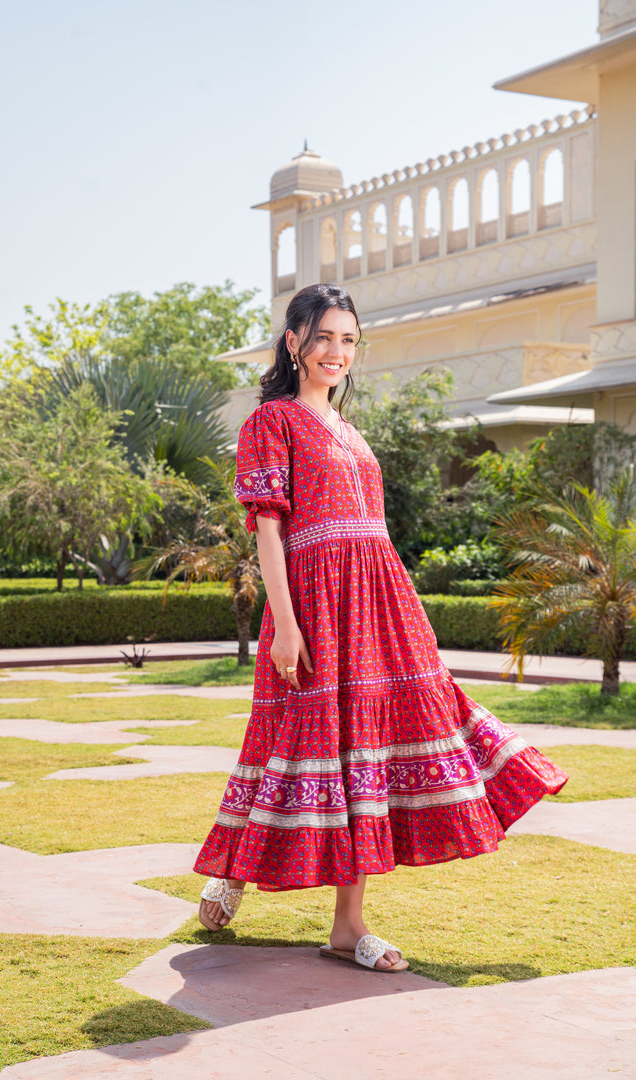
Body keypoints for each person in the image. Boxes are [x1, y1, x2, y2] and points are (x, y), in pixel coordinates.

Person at [194, 283, 568, 972]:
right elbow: (268, 529)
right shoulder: (270, 423)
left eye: (348, 341)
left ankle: (348, 925)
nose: (337, 352)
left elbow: (374, 538)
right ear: (293, 342)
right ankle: (234, 873)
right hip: (312, 606)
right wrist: (284, 623)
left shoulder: (352, 432)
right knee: (295, 742)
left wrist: (407, 613)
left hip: (377, 608)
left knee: (372, 744)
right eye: (325, 337)